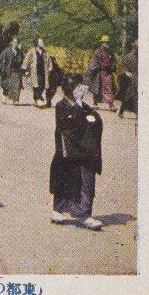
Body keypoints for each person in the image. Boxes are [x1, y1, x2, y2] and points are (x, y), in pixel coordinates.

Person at [50, 74, 104, 230]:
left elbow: (94, 119)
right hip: (68, 152)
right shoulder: (62, 106)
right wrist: (79, 108)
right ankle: (57, 211)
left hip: (85, 151)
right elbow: (70, 123)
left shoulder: (84, 106)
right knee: (64, 181)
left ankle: (84, 215)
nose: (81, 91)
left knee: (86, 182)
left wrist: (90, 119)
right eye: (76, 87)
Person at [85, 35, 117, 111]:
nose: (106, 44)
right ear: (102, 43)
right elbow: (93, 62)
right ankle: (95, 103)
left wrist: (113, 67)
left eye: (107, 43)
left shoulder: (110, 53)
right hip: (99, 73)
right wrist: (95, 69)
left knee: (109, 89)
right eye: (104, 42)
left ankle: (111, 105)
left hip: (108, 73)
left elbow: (114, 62)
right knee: (97, 89)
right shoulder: (98, 52)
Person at [23, 39, 57, 108]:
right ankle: (38, 99)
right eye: (40, 42)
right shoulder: (32, 51)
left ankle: (36, 99)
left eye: (42, 42)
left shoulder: (45, 52)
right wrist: (24, 69)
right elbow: (27, 59)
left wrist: (50, 68)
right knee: (36, 85)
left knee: (42, 85)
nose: (42, 44)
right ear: (37, 43)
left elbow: (49, 60)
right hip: (35, 71)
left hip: (43, 71)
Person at [0, 38, 24, 105]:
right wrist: (0, 67)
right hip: (8, 70)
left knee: (16, 86)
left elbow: (23, 62)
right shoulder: (7, 51)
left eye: (17, 43)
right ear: (12, 43)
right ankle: (4, 96)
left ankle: (13, 99)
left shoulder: (20, 53)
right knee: (6, 85)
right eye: (14, 42)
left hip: (16, 71)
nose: (15, 44)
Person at [118, 42, 137, 118]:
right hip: (131, 79)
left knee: (136, 96)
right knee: (129, 96)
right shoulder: (129, 56)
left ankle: (137, 112)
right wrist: (127, 72)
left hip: (137, 78)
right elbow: (123, 64)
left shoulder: (141, 56)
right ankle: (121, 111)